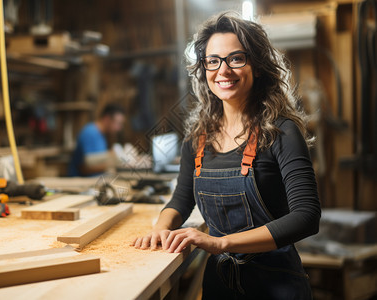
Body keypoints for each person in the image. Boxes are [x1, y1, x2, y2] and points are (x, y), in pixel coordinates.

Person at [132, 12, 321, 299]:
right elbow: (181, 200)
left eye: (236, 59)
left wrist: (221, 243)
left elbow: (306, 216)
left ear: (257, 66)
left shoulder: (281, 132)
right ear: (204, 69)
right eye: (213, 61)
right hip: (220, 285)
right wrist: (161, 228)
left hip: (275, 285)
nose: (223, 70)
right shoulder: (197, 138)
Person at [67, 103, 125, 177]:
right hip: (80, 181)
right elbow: (84, 167)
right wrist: (113, 161)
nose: (119, 128)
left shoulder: (101, 135)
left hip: (95, 179)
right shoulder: (90, 133)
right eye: (118, 123)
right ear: (107, 119)